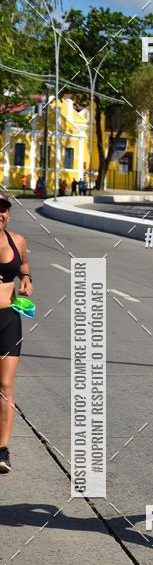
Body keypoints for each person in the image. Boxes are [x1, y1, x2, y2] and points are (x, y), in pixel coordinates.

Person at [0, 195, 33, 472]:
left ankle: (2, 450)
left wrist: (26, 281)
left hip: (9, 318)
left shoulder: (17, 241)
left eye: (3, 210)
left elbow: (23, 269)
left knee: (5, 386)